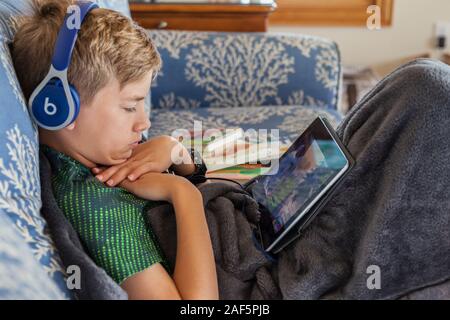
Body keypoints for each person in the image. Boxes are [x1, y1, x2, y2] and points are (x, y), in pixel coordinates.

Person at [12, 0, 218, 300]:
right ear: (57, 108)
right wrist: (184, 194)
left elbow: (199, 173)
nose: (143, 122)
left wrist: (177, 152)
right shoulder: (95, 205)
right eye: (130, 106)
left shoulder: (106, 151)